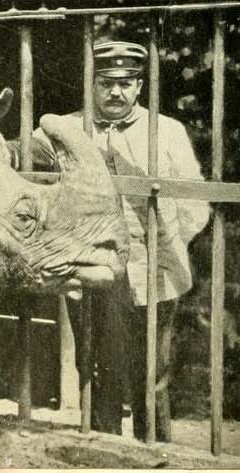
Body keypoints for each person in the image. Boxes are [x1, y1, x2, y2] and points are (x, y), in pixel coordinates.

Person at [24, 40, 210, 441]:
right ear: (91, 84)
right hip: (92, 272)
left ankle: (153, 454)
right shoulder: (64, 130)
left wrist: (167, 246)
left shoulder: (168, 132)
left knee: (152, 375)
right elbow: (27, 176)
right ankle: (101, 450)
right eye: (106, 82)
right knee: (96, 371)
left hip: (154, 272)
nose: (116, 92)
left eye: (126, 83)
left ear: (140, 86)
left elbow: (198, 205)